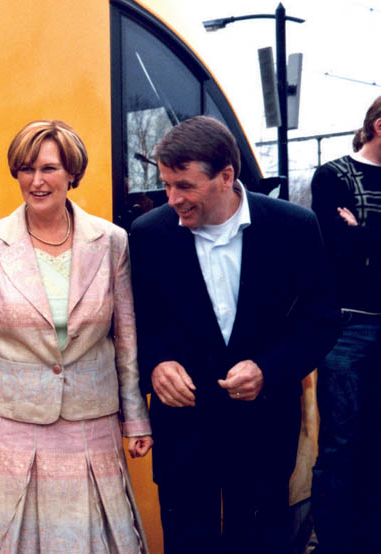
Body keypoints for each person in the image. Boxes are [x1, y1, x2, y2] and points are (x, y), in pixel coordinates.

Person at [0, 120, 153, 553]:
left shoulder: (112, 242)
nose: (36, 181)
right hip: (10, 429)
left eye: (49, 168)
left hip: (91, 427)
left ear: (72, 173)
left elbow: (126, 339)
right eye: (26, 169)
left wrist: (136, 417)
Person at [129, 116, 339, 554]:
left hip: (264, 431)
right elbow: (137, 323)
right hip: (183, 436)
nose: (172, 199)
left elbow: (321, 321)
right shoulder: (149, 235)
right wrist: (156, 364)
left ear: (226, 176)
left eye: (184, 186)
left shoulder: (295, 227)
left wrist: (268, 369)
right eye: (166, 184)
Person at [310, 96, 381, 553]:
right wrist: (352, 240)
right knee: (341, 441)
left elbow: (356, 245)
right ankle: (336, 544)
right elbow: (334, 250)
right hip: (350, 323)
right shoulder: (333, 175)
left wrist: (364, 234)